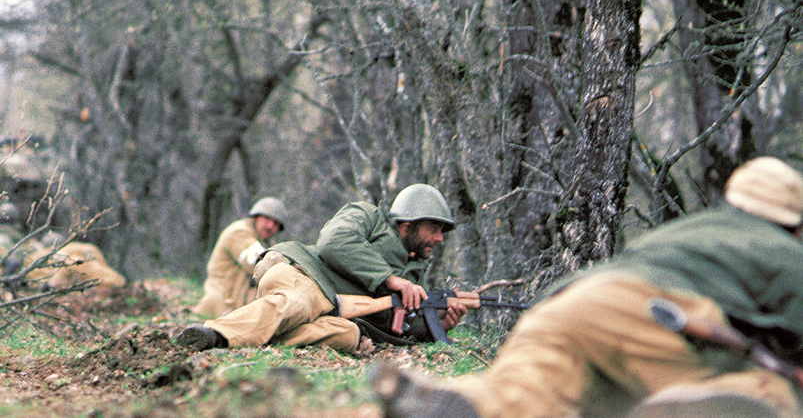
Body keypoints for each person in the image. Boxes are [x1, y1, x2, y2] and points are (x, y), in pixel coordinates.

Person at [369, 157, 803, 418]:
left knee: (518, 396)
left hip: (565, 306)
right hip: (659, 312)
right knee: (770, 395)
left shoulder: (692, 229)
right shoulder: (783, 251)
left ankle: (448, 404)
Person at [175, 183, 467, 353]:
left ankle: (258, 334)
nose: (440, 239)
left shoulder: (413, 274)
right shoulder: (369, 216)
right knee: (298, 303)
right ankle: (214, 334)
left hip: (332, 308)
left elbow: (391, 327)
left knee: (348, 335)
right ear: (408, 224)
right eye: (434, 228)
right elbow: (333, 241)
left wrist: (434, 326)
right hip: (305, 274)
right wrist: (390, 280)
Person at [192, 197, 288, 318]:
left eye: (276, 224)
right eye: (267, 218)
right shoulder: (239, 232)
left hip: (236, 309)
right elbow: (258, 264)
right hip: (218, 307)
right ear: (255, 217)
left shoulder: (266, 243)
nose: (270, 226)